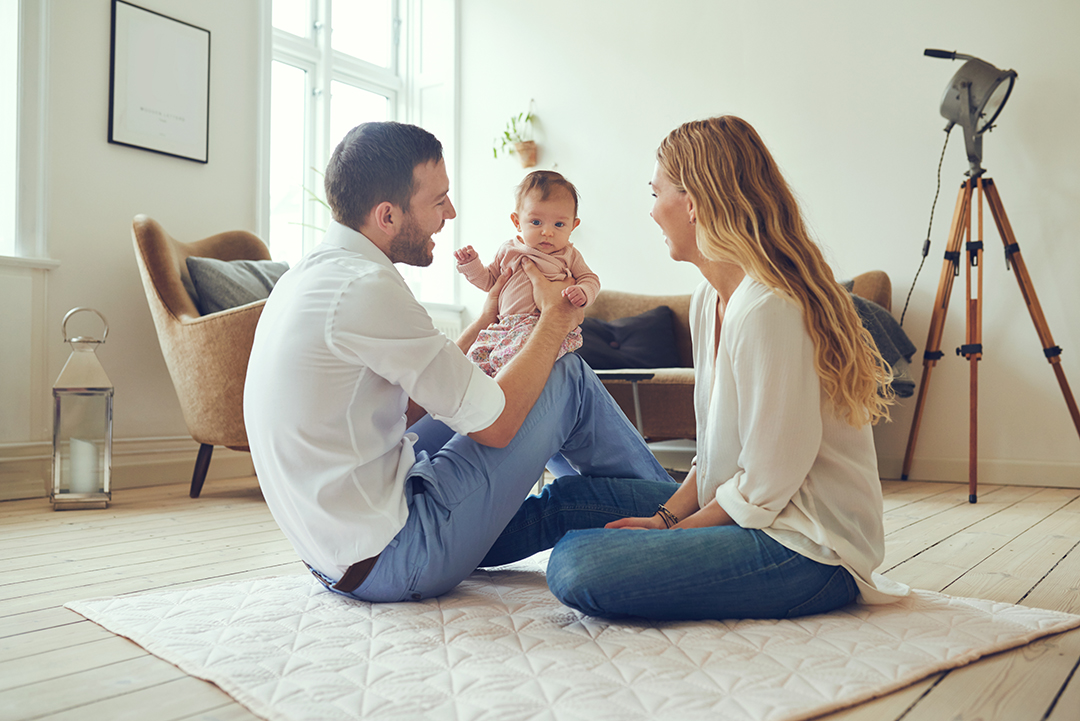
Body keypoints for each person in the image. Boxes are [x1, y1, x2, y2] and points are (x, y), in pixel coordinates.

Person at [488, 115, 911, 620]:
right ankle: (433, 548)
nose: (651, 212)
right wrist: (665, 516)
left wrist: (670, 533)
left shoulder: (770, 307)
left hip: (808, 547)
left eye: (655, 193)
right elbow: (715, 455)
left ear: (691, 204)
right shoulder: (710, 295)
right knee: (571, 498)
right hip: (754, 513)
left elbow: (767, 483)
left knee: (577, 563)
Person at [243, 121, 675, 604]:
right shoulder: (366, 289)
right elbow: (496, 426)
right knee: (565, 372)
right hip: (399, 553)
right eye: (438, 201)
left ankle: (671, 510)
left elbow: (413, 406)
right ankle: (685, 515)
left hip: (343, 554)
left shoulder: (312, 277)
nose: (450, 212)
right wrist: (554, 320)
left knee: (552, 456)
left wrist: (487, 316)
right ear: (387, 215)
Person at [454, 170, 600, 376]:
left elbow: (590, 279)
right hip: (502, 326)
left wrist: (583, 291)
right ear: (517, 221)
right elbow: (489, 282)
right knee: (474, 360)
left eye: (559, 224)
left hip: (537, 326)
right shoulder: (508, 250)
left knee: (510, 361)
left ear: (573, 226)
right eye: (536, 222)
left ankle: (509, 389)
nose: (547, 232)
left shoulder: (569, 255)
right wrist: (471, 264)